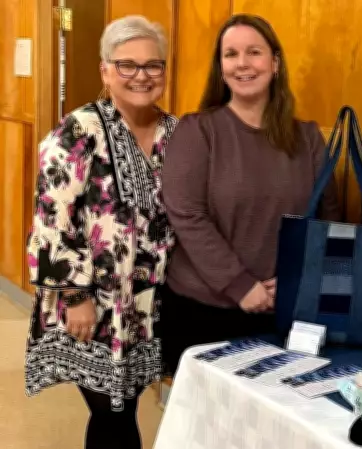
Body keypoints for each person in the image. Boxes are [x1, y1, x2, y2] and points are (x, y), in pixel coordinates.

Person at [24, 15, 177, 449]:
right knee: (114, 413)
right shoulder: (78, 130)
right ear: (105, 71)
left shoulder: (176, 132)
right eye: (126, 65)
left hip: (147, 304)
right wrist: (76, 297)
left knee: (122, 407)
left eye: (153, 65)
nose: (141, 76)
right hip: (91, 305)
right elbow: (51, 216)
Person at [160, 13, 340, 375]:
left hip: (286, 310)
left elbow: (328, 219)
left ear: (275, 63)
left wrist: (296, 279)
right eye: (230, 54)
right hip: (206, 313)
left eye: (253, 52)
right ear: (220, 67)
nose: (242, 63)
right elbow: (187, 216)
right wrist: (240, 285)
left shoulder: (307, 138)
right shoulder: (198, 131)